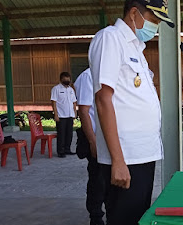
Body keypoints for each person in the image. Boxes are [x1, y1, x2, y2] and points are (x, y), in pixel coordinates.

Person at [88, 0, 174, 224]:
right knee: (123, 219)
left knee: (137, 218)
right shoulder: (111, 38)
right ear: (134, 12)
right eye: (154, 20)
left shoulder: (136, 48)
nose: (155, 27)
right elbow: (103, 99)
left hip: (143, 154)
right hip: (126, 157)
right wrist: (117, 160)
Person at [74, 68, 106, 225]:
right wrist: (93, 142)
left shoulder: (112, 74)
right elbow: (84, 112)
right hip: (96, 137)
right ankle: (96, 216)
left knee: (110, 179)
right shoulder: (88, 76)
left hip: (112, 138)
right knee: (97, 179)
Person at [51, 72, 77, 158]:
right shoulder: (56, 89)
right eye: (65, 79)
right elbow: (54, 102)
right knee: (61, 134)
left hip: (70, 114)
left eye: (68, 79)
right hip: (61, 115)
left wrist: (75, 113)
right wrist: (56, 114)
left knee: (69, 134)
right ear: (61, 79)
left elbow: (74, 102)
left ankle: (67, 149)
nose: (67, 80)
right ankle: (60, 151)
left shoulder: (71, 90)